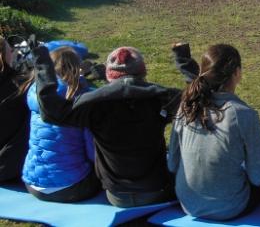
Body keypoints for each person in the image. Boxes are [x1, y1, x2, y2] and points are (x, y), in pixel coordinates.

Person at [34, 45, 190, 207]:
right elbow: (200, 97)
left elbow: (50, 111)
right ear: (143, 71)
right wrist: (183, 59)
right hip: (157, 190)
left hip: (116, 195)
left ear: (109, 74)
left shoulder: (92, 103)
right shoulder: (162, 97)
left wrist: (43, 62)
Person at [168, 43, 260, 220]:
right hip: (230, 207)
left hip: (188, 203)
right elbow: (257, 178)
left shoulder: (186, 106)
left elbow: (172, 164)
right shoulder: (244, 114)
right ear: (237, 73)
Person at [22, 46, 100, 202]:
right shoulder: (80, 99)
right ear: (76, 67)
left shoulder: (35, 91)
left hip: (32, 184)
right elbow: (93, 154)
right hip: (70, 186)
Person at [0, 36, 30, 182]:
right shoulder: (21, 85)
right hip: (6, 168)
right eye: (10, 50)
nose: (13, 52)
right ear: (4, 55)